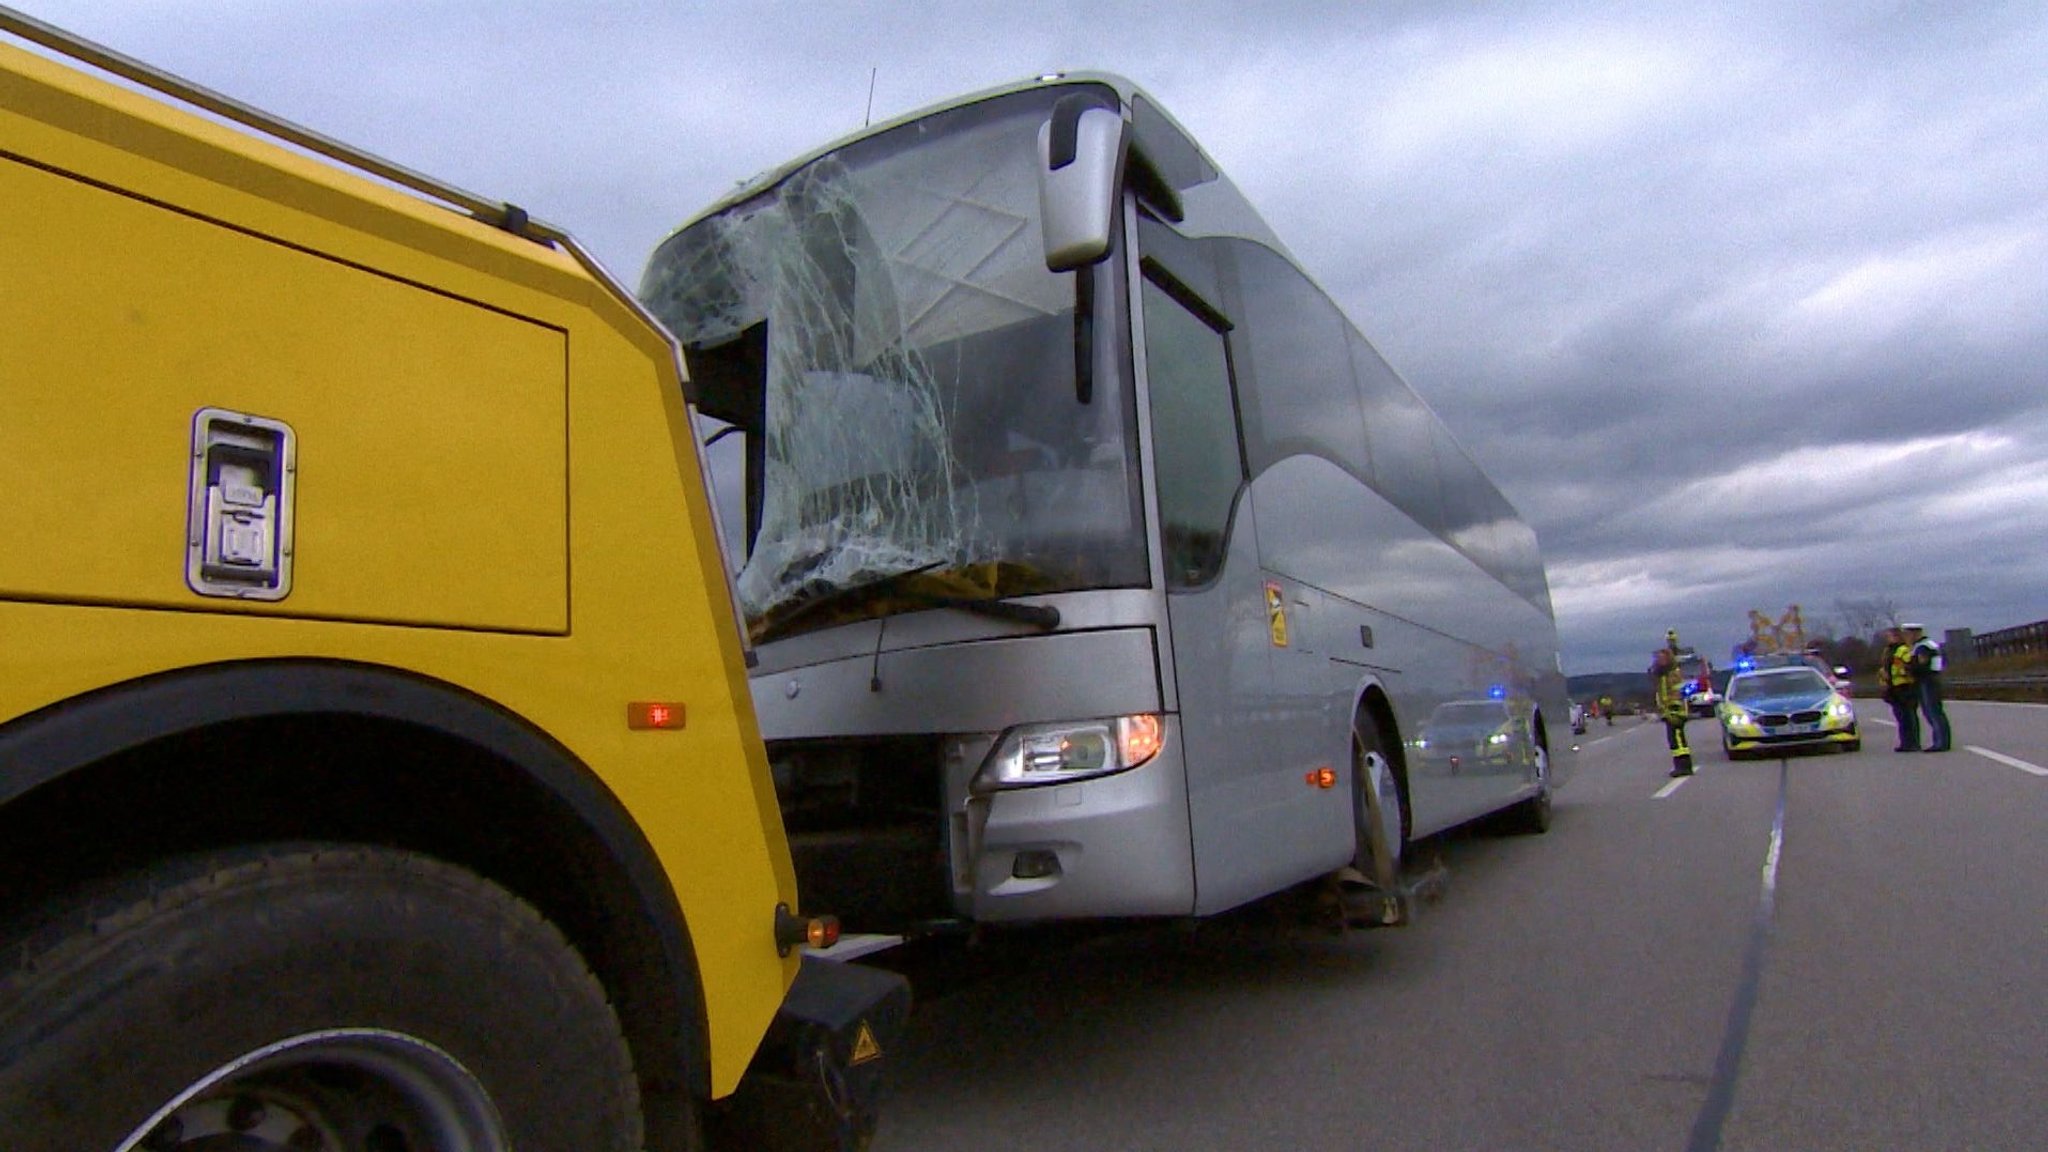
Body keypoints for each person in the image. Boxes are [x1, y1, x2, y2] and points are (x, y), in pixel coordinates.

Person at [1903, 623, 1951, 753]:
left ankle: (1941, 742)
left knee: (1932, 712)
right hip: (1931, 679)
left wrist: (1908, 668)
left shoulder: (1923, 647)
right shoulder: (1928, 645)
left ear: (1915, 633)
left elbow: (1921, 666)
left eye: (1908, 634)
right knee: (1934, 711)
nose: (1907, 637)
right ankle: (1942, 741)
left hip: (1927, 680)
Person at [1651, 640, 1693, 777]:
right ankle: (1680, 765)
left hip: (1675, 712)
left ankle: (1684, 766)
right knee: (1674, 741)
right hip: (1669, 712)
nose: (1658, 661)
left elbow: (1676, 693)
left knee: (1678, 741)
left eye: (1660, 658)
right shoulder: (1663, 675)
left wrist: (1672, 709)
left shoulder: (1672, 674)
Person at [1879, 626, 1920, 752]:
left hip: (1905, 686)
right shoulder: (1888, 651)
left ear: (1897, 636)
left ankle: (1912, 743)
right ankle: (1905, 742)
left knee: (1908, 716)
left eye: (1889, 636)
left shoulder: (1903, 650)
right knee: (1900, 717)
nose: (1887, 639)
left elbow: (1908, 666)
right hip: (1893, 686)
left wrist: (1902, 672)